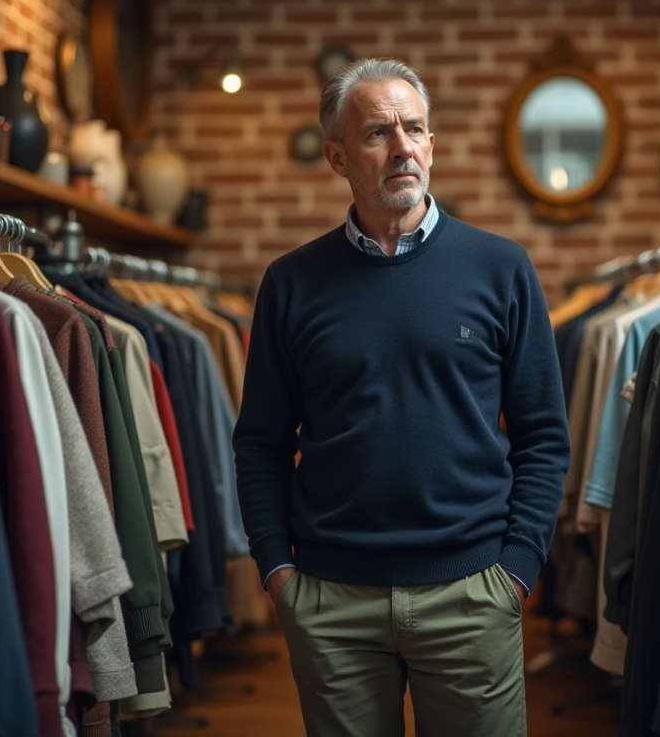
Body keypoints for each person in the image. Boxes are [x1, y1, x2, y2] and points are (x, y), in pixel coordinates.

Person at [233, 57, 572, 737]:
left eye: (414, 129)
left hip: (473, 591)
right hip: (330, 600)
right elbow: (262, 441)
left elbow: (542, 435)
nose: (402, 148)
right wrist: (276, 568)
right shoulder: (292, 282)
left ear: (432, 144)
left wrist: (518, 568)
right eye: (377, 133)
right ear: (337, 157)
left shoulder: (501, 267)